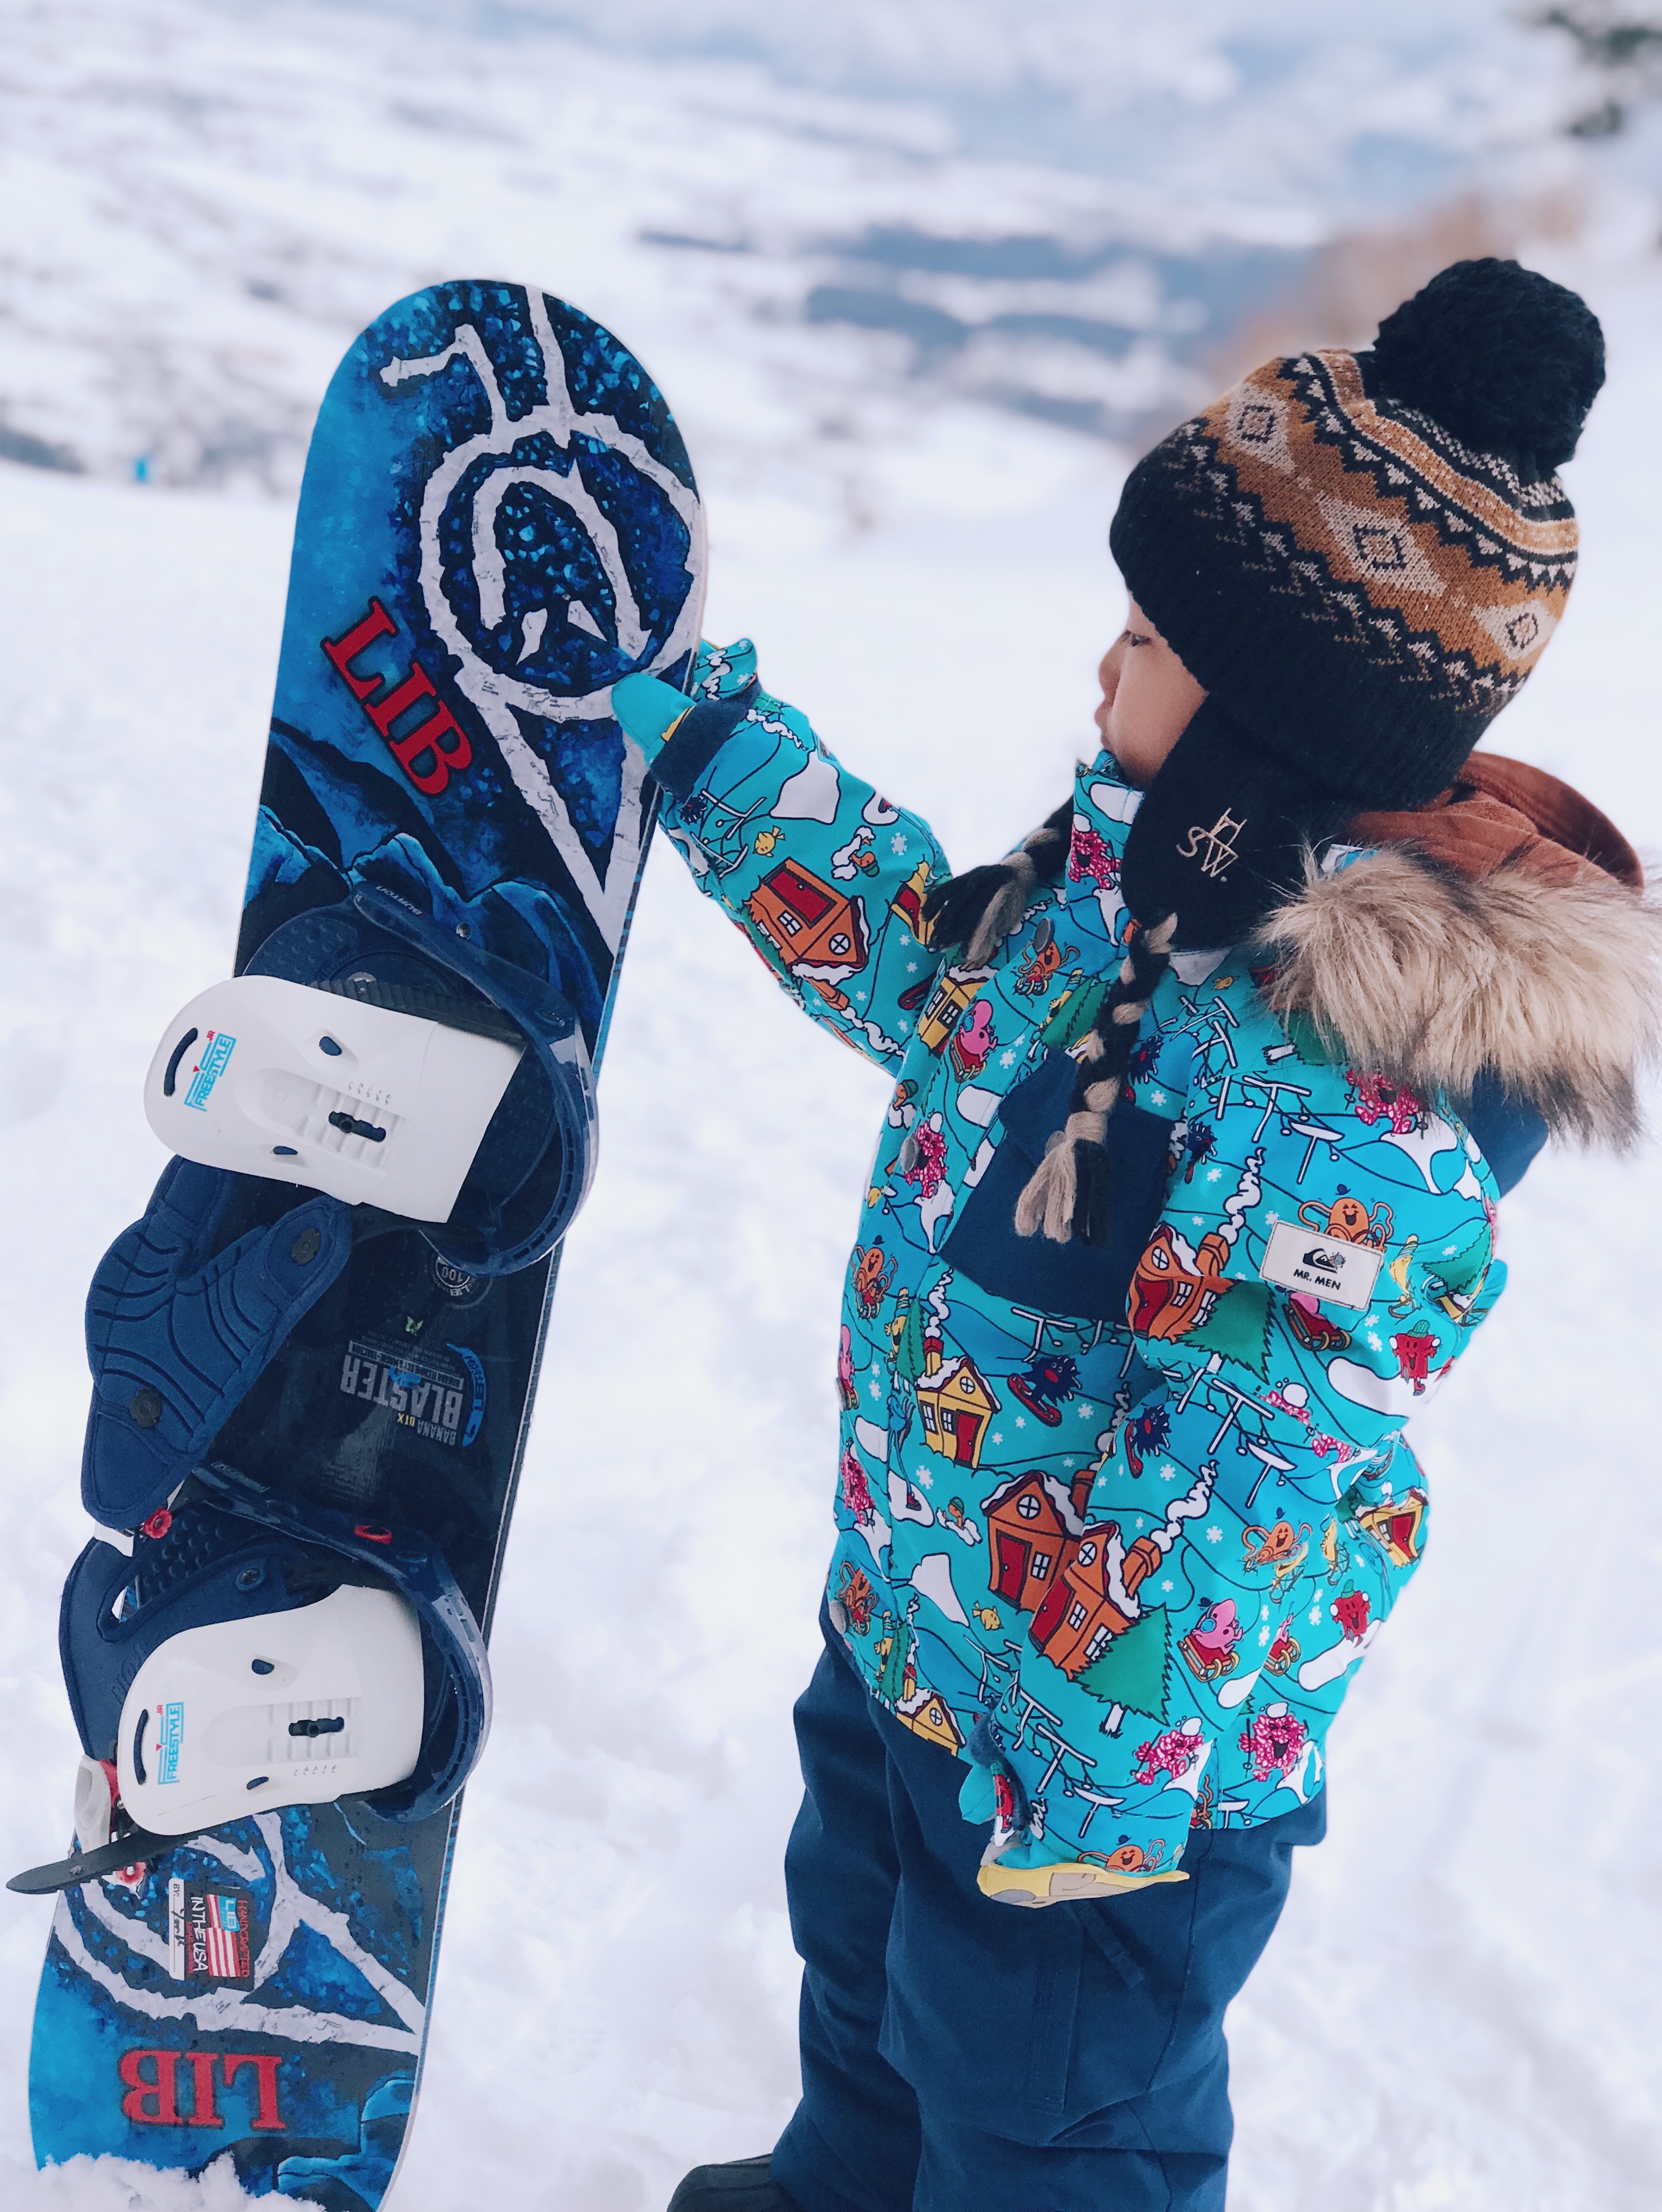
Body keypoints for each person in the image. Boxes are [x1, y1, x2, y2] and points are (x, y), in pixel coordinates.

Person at [609, 259, 1656, 2212]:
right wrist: (701, 740)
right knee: (875, 1985)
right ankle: (851, 2181)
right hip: (927, 1629)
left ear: (1275, 706)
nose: (1105, 667)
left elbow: (1261, 1447)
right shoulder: (1135, 901)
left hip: (1101, 1774)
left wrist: (1089, 1774)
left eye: (1150, 636)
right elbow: (925, 962)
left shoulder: (1358, 1080)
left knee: (1057, 2111)